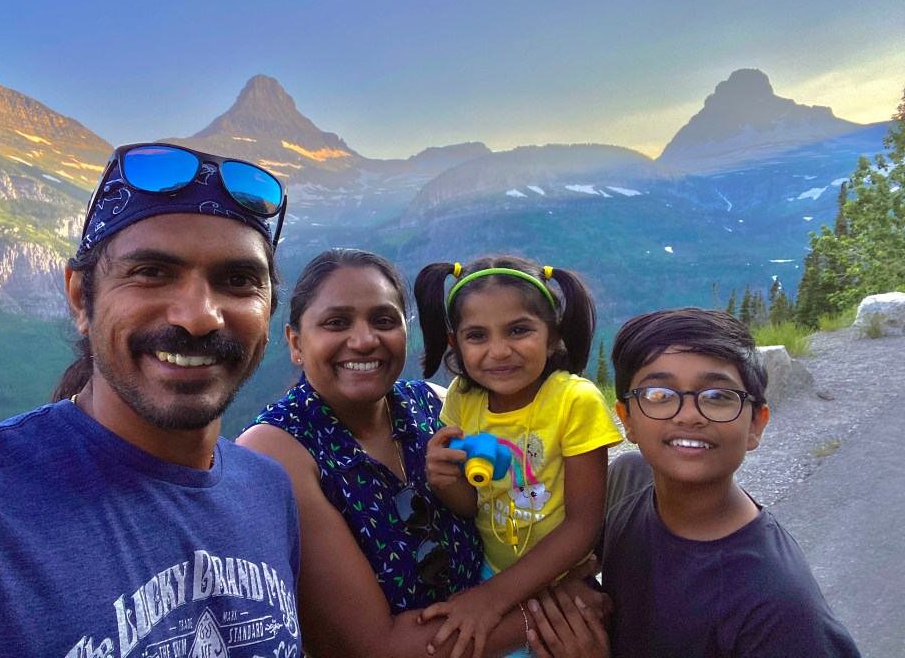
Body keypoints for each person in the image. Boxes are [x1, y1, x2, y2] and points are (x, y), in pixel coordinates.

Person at [0, 142, 302, 657]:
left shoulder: (268, 492)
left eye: (238, 281)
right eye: (152, 272)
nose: (198, 317)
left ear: (269, 311)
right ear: (82, 298)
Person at [237, 249, 608, 658]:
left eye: (384, 320)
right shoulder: (276, 450)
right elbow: (375, 649)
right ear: (295, 342)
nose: (364, 340)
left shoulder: (434, 405)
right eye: (336, 323)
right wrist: (554, 608)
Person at [603, 307, 861, 657]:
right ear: (627, 420)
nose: (689, 415)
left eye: (717, 397)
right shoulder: (627, 483)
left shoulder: (780, 609)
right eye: (659, 395)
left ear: (756, 424)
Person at [414, 256, 623, 658]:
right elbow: (473, 504)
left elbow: (583, 525)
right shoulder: (463, 399)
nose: (498, 351)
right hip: (490, 572)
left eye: (518, 330)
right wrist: (445, 482)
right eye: (477, 336)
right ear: (456, 343)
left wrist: (490, 599)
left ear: (552, 336)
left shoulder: (573, 401)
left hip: (559, 582)